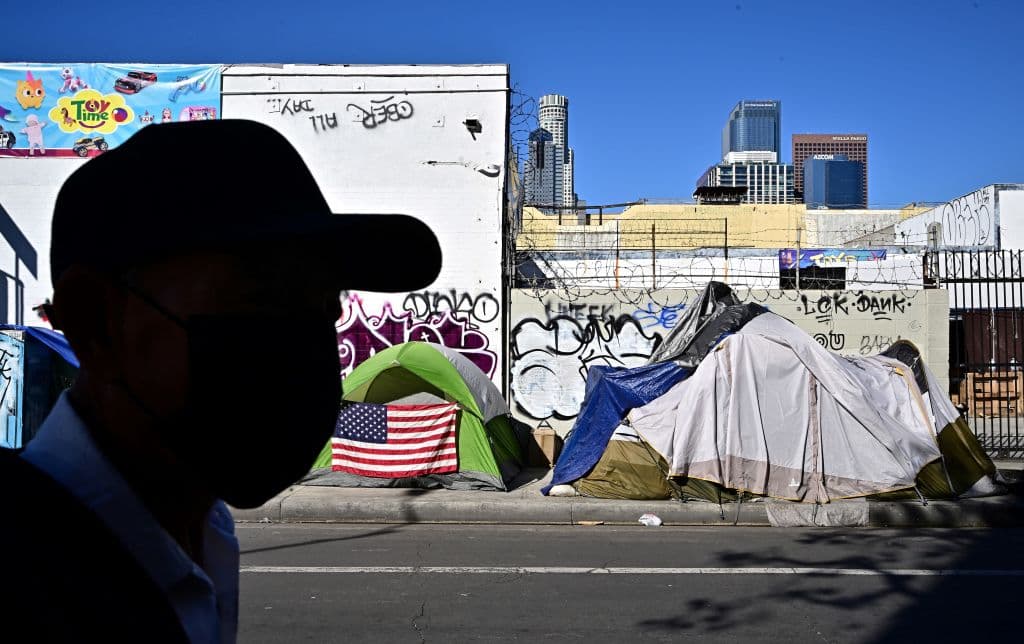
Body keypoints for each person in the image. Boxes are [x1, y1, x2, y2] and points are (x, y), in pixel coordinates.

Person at [0, 120, 441, 643]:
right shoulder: (24, 573)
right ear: (95, 322)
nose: (302, 343)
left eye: (326, 305)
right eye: (263, 298)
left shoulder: (207, 530)